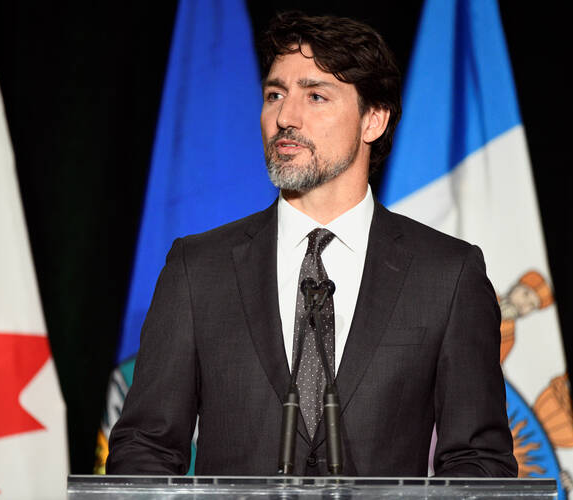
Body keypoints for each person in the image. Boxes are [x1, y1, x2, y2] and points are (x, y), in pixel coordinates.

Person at [106, 12, 517, 477]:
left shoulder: (447, 274)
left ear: (373, 120)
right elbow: (145, 449)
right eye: (275, 95)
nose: (285, 117)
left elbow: (478, 463)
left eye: (315, 96)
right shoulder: (198, 268)